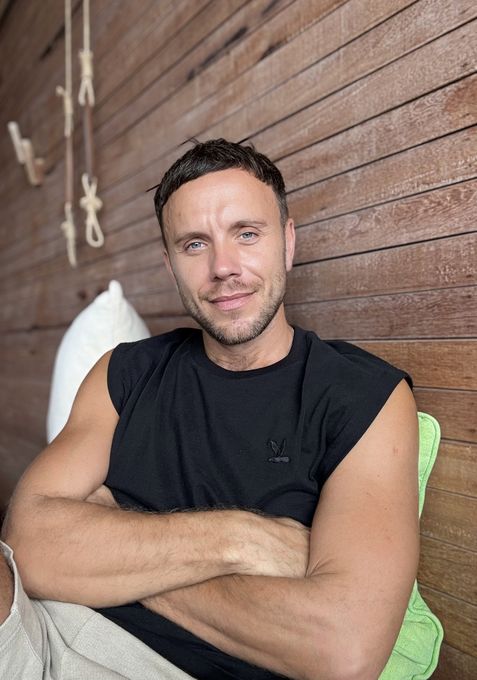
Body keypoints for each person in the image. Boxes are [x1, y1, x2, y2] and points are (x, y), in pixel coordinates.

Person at [0, 139, 419, 680]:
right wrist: (241, 539)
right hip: (46, 628)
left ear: (288, 242)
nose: (223, 267)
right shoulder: (124, 372)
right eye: (194, 244)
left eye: (247, 234)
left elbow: (343, 649)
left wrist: (112, 544)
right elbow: (27, 542)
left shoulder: (363, 396)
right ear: (170, 264)